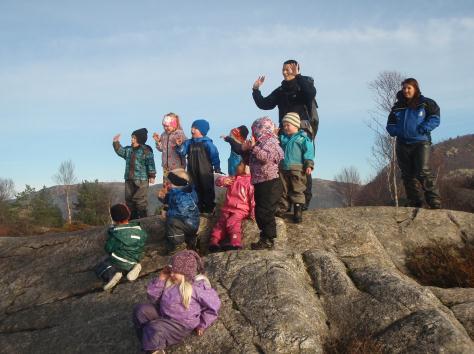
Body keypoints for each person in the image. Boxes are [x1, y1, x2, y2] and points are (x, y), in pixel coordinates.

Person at [252, 59, 318, 210]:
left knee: (302, 165)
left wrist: (299, 77)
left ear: (297, 69)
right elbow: (265, 104)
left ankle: (303, 203)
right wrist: (256, 90)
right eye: (284, 69)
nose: (286, 72)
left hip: (302, 131)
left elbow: (310, 94)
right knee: (282, 166)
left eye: (289, 69)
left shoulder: (303, 86)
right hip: (283, 132)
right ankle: (284, 203)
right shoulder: (281, 90)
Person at [133, 250, 221, 353]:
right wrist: (161, 279)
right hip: (163, 314)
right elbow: (153, 298)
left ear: (186, 273)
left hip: (180, 325)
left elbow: (214, 304)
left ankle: (153, 349)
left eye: (176, 271)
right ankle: (148, 343)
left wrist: (202, 324)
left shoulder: (196, 288)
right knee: (140, 310)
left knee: (154, 328)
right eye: (171, 270)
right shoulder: (169, 282)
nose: (171, 274)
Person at [386, 78, 441, 209]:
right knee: (407, 175)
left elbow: (435, 118)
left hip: (421, 143)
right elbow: (390, 124)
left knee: (423, 171)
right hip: (402, 143)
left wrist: (422, 129)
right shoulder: (397, 106)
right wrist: (396, 131)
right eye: (404, 88)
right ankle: (415, 202)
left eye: (409, 88)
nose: (406, 90)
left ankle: (434, 201)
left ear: (415, 89)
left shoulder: (426, 103)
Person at [242, 117, 284, 250]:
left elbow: (267, 158)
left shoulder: (270, 142)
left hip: (270, 181)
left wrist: (253, 148)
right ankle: (265, 237)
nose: (254, 132)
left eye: (256, 129)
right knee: (260, 210)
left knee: (265, 211)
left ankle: (269, 239)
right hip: (260, 181)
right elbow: (251, 162)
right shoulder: (260, 143)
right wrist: (247, 150)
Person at [94, 203, 148, 291]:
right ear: (129, 214)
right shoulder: (139, 230)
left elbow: (108, 248)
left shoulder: (116, 234)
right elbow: (144, 240)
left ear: (114, 219)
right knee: (127, 261)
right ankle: (135, 266)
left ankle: (112, 275)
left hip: (119, 262)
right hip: (136, 257)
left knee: (101, 265)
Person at [176, 119, 222, 214]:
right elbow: (182, 153)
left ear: (202, 131)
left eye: (195, 128)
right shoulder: (189, 143)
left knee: (207, 189)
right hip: (192, 172)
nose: (192, 130)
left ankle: (209, 209)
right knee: (194, 189)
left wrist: (217, 166)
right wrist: (179, 146)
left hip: (205, 172)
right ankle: (197, 209)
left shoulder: (207, 143)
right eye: (192, 128)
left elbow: (214, 155)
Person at [208, 160, 255, 252]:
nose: (237, 166)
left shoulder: (250, 182)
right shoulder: (233, 178)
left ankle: (235, 241)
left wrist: (253, 214)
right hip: (227, 208)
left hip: (240, 209)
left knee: (232, 222)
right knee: (220, 223)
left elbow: (253, 200)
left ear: (246, 168)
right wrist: (223, 180)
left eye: (240, 165)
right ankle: (214, 241)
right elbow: (218, 182)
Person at [277, 113, 314, 223]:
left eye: (288, 125)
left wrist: (309, 165)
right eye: (284, 125)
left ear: (296, 125)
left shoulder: (303, 138)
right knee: (283, 189)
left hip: (297, 169)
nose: (285, 127)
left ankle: (298, 210)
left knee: (297, 189)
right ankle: (282, 209)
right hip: (283, 169)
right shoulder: (282, 138)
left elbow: (309, 152)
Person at [113, 128, 156, 219]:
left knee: (140, 200)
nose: (132, 139)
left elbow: (150, 163)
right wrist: (116, 143)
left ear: (139, 139)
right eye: (132, 137)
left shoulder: (146, 150)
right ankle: (132, 218)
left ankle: (143, 219)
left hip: (142, 180)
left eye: (134, 138)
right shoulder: (128, 149)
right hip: (129, 179)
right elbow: (120, 151)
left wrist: (152, 175)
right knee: (129, 200)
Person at [157, 169, 200, 254]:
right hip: (194, 223)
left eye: (169, 182)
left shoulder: (176, 194)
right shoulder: (190, 191)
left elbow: (177, 210)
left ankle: (178, 245)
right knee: (187, 231)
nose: (167, 183)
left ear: (175, 183)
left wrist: (167, 212)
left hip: (183, 223)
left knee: (171, 222)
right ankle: (191, 243)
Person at [152, 113, 187, 182]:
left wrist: (180, 144)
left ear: (174, 125)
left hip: (177, 166)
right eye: (164, 126)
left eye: (168, 126)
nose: (166, 128)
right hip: (166, 167)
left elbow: (185, 148)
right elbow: (161, 149)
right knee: (166, 187)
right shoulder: (163, 135)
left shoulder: (179, 134)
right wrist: (158, 141)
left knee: (178, 186)